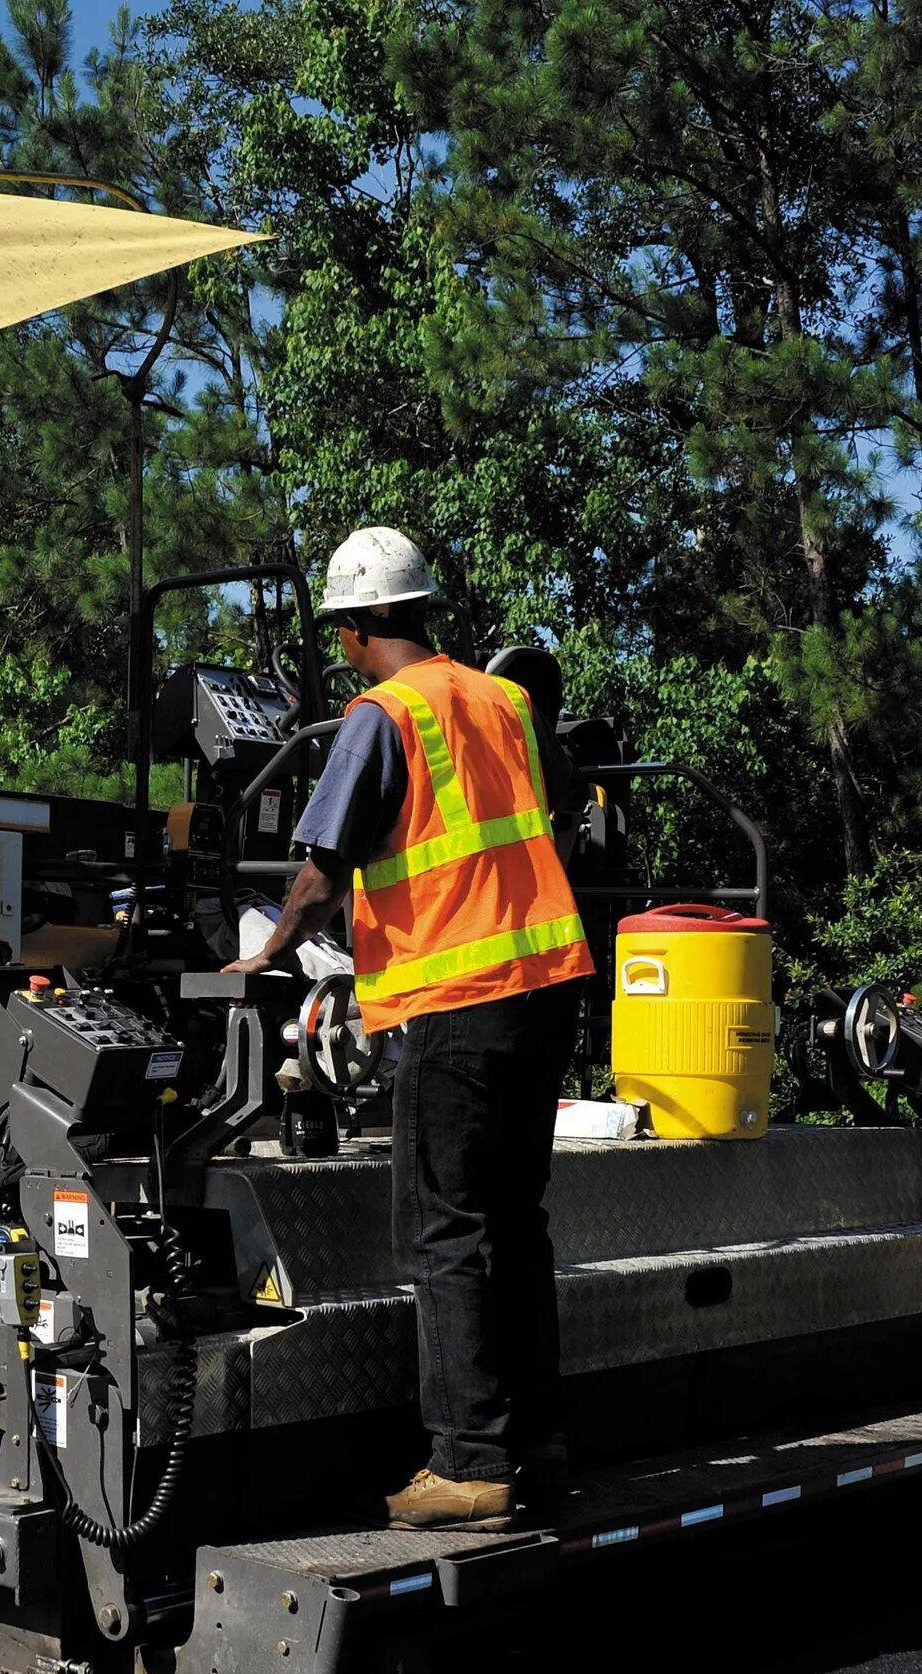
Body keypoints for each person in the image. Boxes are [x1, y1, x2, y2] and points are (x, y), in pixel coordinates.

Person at [226, 527, 595, 1529]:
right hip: (547, 983)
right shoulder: (508, 700)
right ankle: (536, 1445)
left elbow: (321, 866)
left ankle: (470, 1462)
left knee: (443, 1229)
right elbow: (555, 807)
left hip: (458, 1002)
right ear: (422, 610)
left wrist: (265, 952)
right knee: (513, 1224)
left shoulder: (380, 716)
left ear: (354, 630)